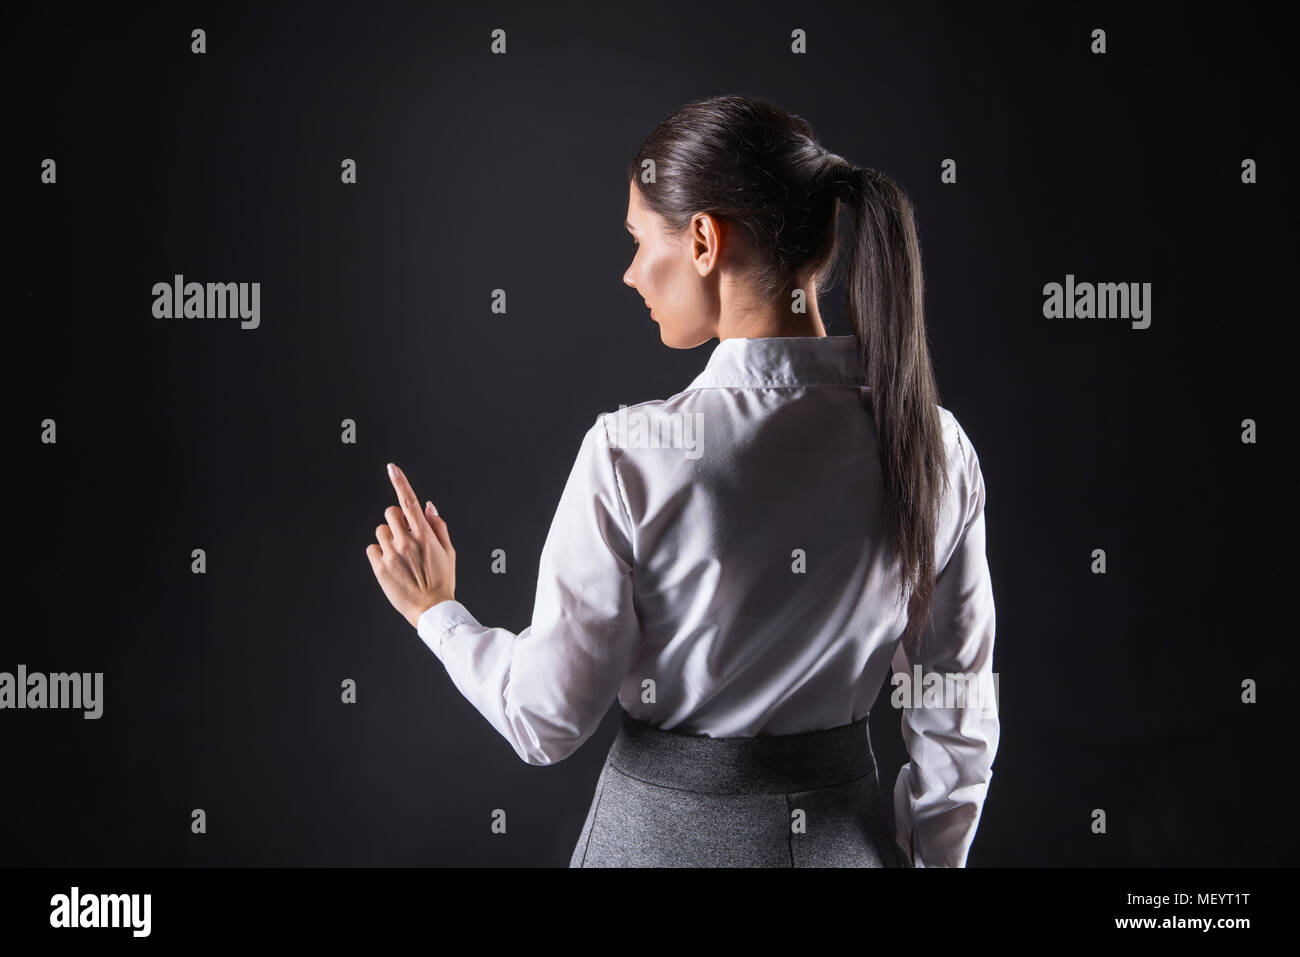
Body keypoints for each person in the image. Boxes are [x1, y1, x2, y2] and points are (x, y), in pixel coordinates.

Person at [365, 94, 999, 868]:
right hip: (849, 847)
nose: (630, 273)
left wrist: (438, 613)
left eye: (637, 240)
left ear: (703, 239)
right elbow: (954, 712)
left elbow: (545, 718)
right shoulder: (934, 445)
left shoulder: (633, 452)